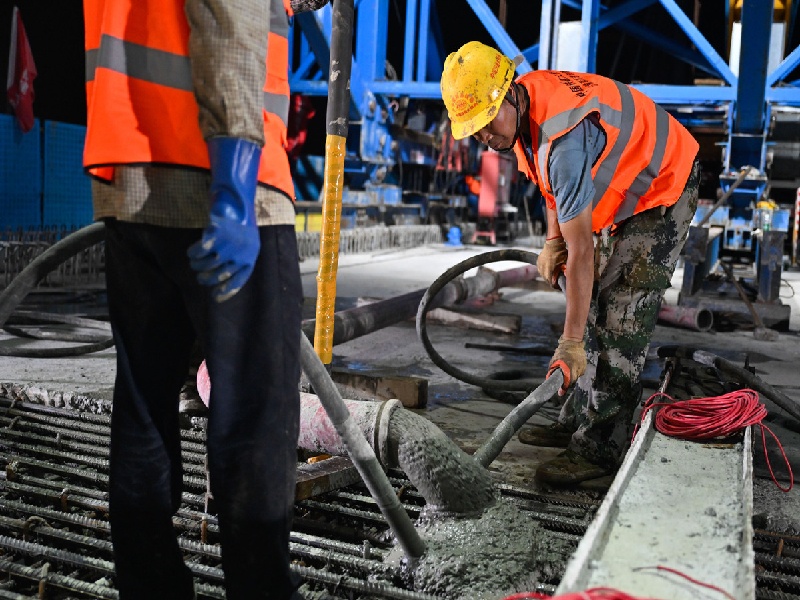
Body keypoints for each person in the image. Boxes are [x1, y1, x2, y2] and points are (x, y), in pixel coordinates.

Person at [82, 0, 327, 597]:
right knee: (255, 416)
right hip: (217, 174)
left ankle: (151, 586)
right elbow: (231, 17)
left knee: (143, 403)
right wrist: (234, 187)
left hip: (128, 176)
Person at [440, 42, 700, 485]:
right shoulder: (527, 107)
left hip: (664, 185)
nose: (483, 137)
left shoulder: (563, 140)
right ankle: (575, 415)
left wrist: (571, 342)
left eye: (485, 123)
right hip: (634, 183)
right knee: (593, 297)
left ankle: (600, 446)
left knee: (621, 312)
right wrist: (550, 241)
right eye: (474, 130)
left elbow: (582, 251)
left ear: (507, 96)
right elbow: (550, 187)